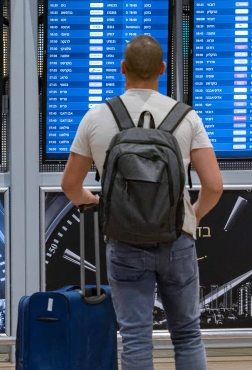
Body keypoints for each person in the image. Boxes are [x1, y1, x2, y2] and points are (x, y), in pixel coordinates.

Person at [61, 35, 224, 370]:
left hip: (124, 242)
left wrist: (95, 202)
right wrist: (191, 216)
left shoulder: (96, 117)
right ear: (162, 70)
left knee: (135, 338)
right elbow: (214, 185)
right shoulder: (186, 118)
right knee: (188, 335)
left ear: (122, 69)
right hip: (176, 238)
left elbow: (70, 185)